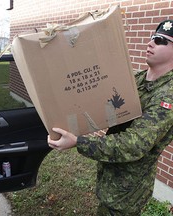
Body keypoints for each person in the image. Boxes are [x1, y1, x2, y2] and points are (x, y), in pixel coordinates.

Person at [48, 19, 173, 216]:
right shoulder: (139, 79)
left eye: (159, 40)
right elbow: (107, 108)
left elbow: (135, 144)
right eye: (151, 38)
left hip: (128, 192)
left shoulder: (168, 95)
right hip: (111, 177)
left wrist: (78, 142)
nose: (150, 43)